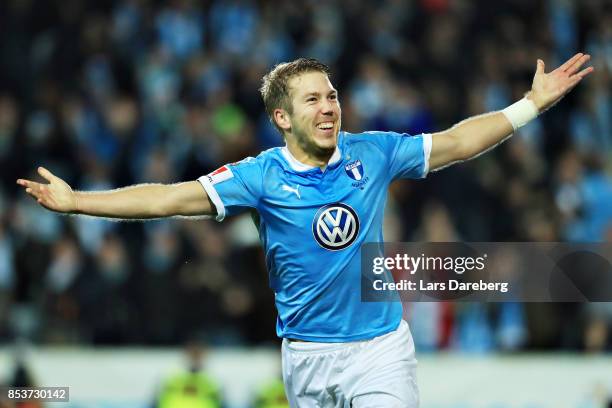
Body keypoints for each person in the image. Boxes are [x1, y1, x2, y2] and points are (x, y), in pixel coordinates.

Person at [17, 54, 593, 407]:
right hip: (307, 356)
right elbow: (167, 198)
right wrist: (77, 203)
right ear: (282, 118)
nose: (329, 107)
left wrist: (528, 106)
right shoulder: (259, 176)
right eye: (313, 99)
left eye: (333, 95)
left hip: (380, 348)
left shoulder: (374, 152)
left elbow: (458, 142)